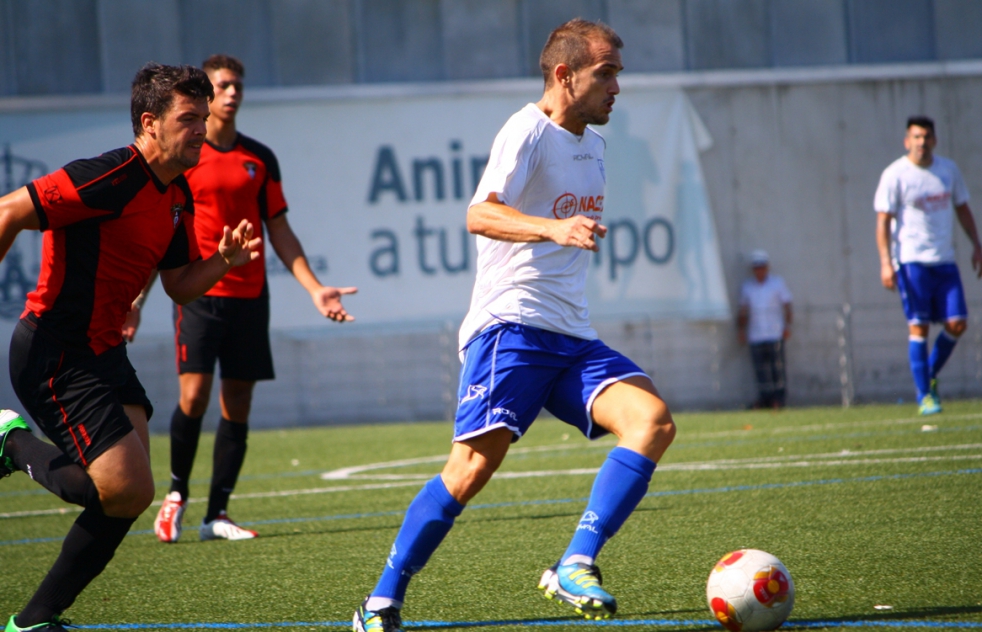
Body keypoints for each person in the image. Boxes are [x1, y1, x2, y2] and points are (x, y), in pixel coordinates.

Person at [351, 19, 676, 632]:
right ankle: (379, 601)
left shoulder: (596, 146)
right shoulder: (526, 130)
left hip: (572, 338)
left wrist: (562, 234)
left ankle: (576, 562)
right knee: (469, 471)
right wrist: (553, 227)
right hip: (511, 330)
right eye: (605, 74)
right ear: (564, 75)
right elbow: (479, 213)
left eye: (618, 75)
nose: (616, 87)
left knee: (652, 422)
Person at [0, 63, 261, 632]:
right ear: (150, 123)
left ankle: (35, 619)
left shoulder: (177, 192)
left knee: (124, 494)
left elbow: (177, 284)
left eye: (204, 115)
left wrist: (224, 261)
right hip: (56, 351)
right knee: (125, 488)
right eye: (188, 118)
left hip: (104, 355)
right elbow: (8, 212)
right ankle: (10, 442)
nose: (202, 127)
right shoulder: (110, 175)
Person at [148, 54, 356, 544]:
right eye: (223, 85)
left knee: (237, 403)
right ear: (205, 94)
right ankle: (176, 493)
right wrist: (135, 299)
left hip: (249, 296)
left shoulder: (259, 158)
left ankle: (216, 514)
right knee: (194, 396)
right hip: (199, 292)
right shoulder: (186, 158)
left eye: (238, 84)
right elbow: (162, 230)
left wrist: (313, 287)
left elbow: (279, 229)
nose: (232, 92)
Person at [874, 115, 982, 415]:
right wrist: (886, 263)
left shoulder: (948, 171)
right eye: (916, 137)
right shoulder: (895, 175)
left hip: (944, 261)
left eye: (926, 137)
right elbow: (882, 221)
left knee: (958, 323)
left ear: (934, 139)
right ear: (907, 141)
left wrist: (977, 245)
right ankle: (925, 396)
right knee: (918, 326)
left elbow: (962, 208)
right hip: (911, 262)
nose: (921, 142)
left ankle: (929, 374)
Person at [736, 250, 793, 409]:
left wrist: (787, 326)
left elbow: (787, 305)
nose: (759, 270)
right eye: (756, 267)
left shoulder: (777, 283)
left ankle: (779, 400)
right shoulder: (747, 287)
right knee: (761, 371)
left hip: (775, 332)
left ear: (767, 267)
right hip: (756, 334)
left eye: (762, 267)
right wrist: (741, 330)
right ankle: (765, 399)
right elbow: (743, 310)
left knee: (778, 368)